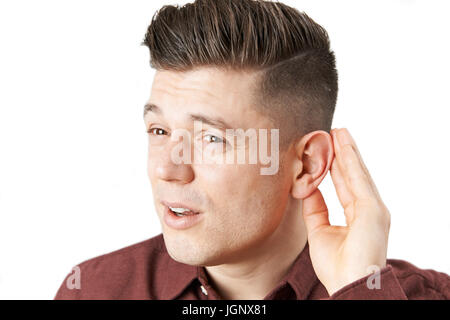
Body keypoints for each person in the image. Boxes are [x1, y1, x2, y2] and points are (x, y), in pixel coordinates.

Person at [55, 0, 449, 300]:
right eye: (159, 129)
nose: (167, 170)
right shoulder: (93, 290)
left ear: (306, 165)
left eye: (211, 138)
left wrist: (360, 287)